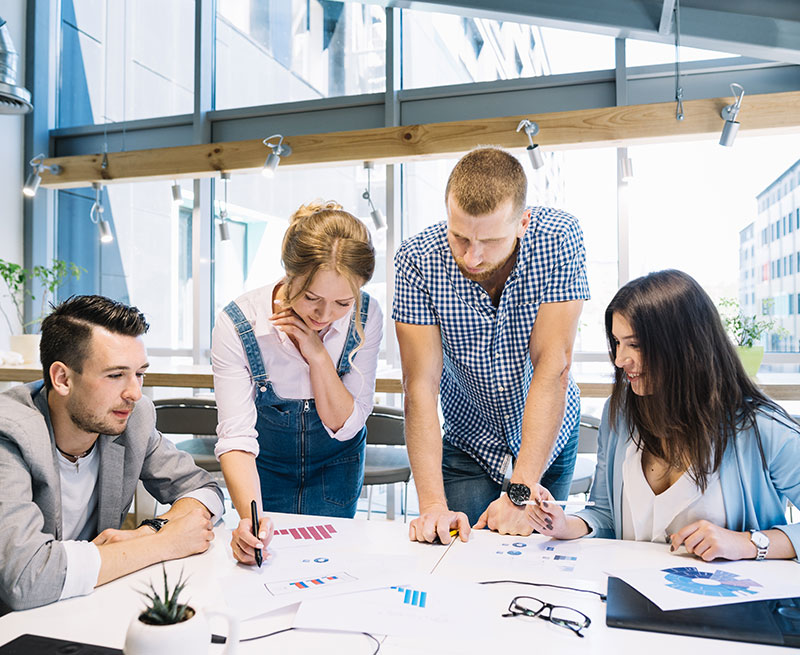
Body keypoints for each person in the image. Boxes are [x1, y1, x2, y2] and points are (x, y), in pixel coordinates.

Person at [531, 269, 800, 561]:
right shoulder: (619, 413)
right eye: (617, 343)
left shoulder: (762, 428)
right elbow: (605, 514)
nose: (621, 360)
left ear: (686, 346)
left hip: (727, 605)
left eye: (635, 344)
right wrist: (565, 524)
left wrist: (748, 543)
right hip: (630, 598)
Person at [393, 147, 590, 544]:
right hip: (469, 442)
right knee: (455, 554)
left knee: (538, 560)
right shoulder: (416, 260)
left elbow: (553, 364)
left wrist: (521, 494)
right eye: (459, 237)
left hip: (546, 439)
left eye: (491, 240)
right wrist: (432, 506)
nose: (472, 256)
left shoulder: (560, 239)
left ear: (523, 223)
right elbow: (420, 386)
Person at [0, 295, 224, 612]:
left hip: (83, 606)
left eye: (139, 373)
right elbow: (25, 579)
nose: (134, 393)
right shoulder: (9, 434)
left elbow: (204, 489)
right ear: (62, 378)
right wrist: (164, 543)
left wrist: (151, 529)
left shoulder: (132, 418)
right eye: (116, 375)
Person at [213, 200, 382, 566]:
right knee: (265, 568)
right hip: (264, 472)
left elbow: (346, 424)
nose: (324, 315)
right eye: (311, 298)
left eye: (342, 303)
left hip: (336, 467)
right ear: (289, 275)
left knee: (328, 568)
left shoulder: (368, 315)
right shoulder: (239, 323)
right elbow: (237, 438)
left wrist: (318, 355)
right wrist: (249, 520)